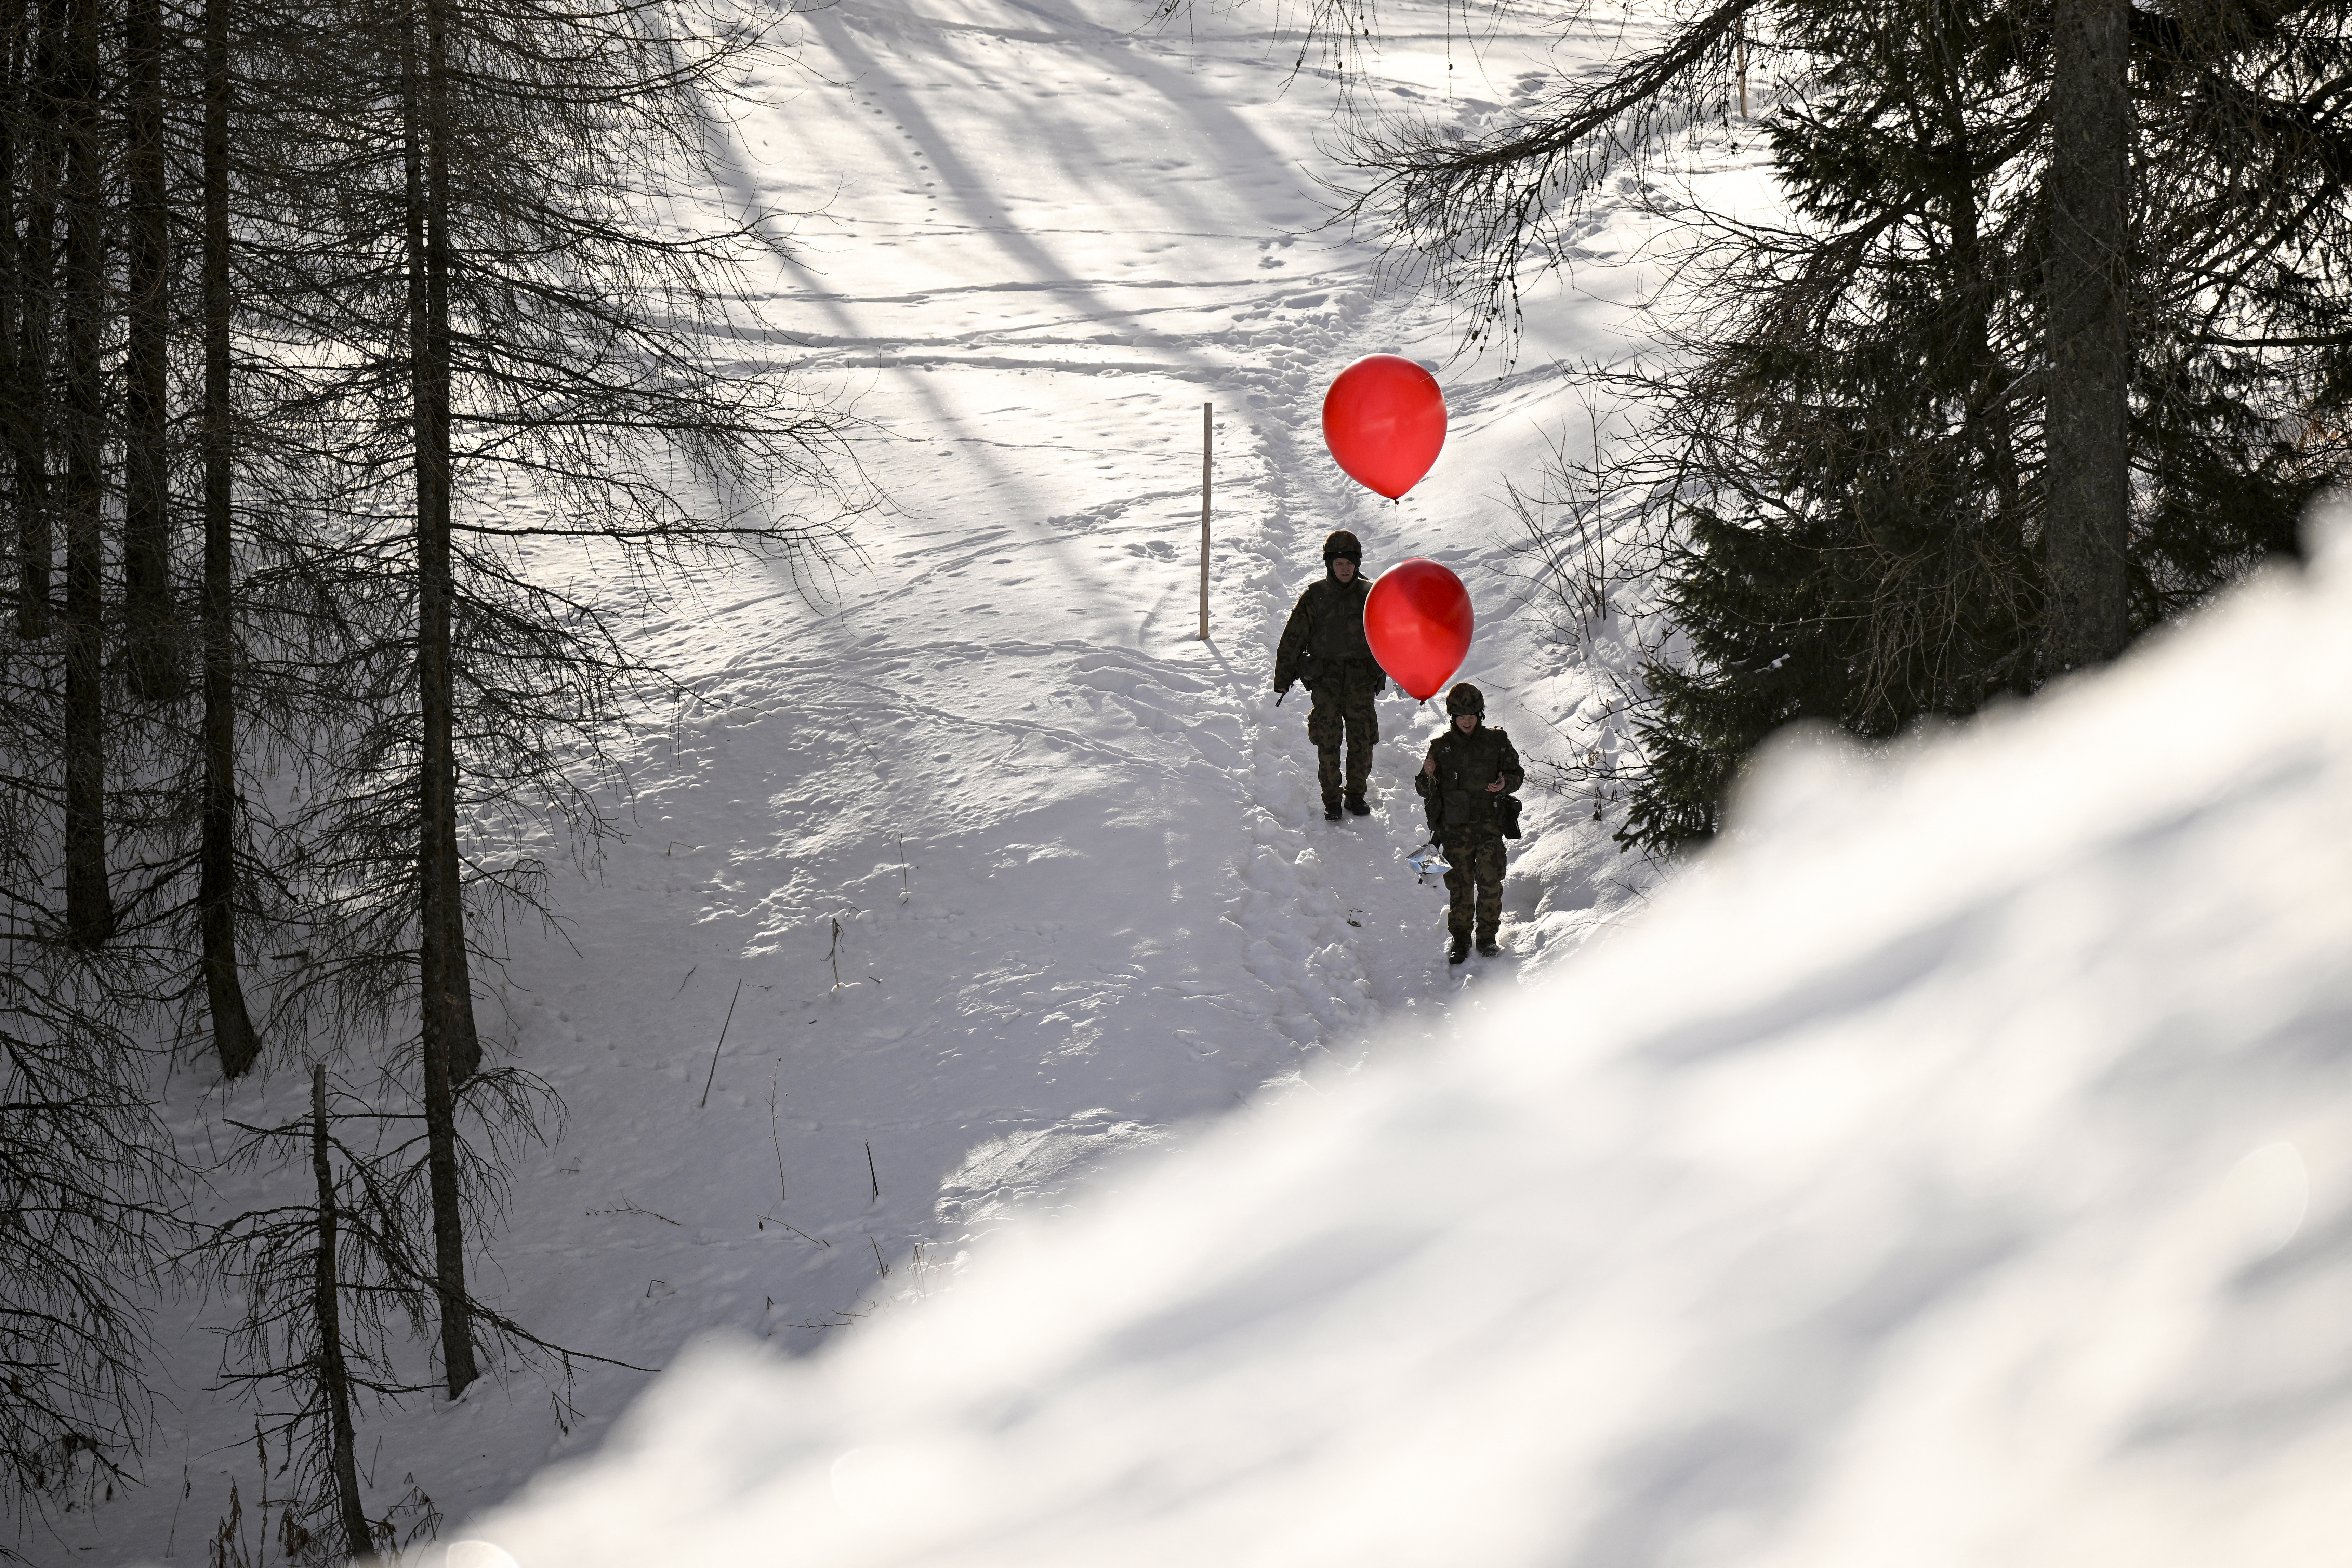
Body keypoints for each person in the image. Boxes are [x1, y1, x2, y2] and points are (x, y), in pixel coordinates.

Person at [1273, 530, 1385, 821]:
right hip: (1327, 682)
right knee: (1328, 741)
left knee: (1362, 740)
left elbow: (1392, 635)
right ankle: (1332, 799)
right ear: (1330, 565)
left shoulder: (1372, 595)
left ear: (1357, 563)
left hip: (1362, 680)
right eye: (1339, 563)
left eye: (1350, 563)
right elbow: (1293, 639)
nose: (1345, 569)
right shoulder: (1315, 597)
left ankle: (1357, 795)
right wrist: (1283, 678)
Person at [1414, 681, 1522, 964]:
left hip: (1489, 828)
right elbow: (1424, 789)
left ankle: (1487, 938)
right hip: (1454, 831)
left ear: (1480, 714)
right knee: (1460, 888)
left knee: (1490, 883)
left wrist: (1505, 784)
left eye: (1471, 715)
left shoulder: (1498, 742)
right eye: (1461, 716)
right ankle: (1461, 939)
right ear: (1453, 716)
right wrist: (1428, 774)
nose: (1466, 721)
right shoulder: (1440, 748)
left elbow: (1517, 773)